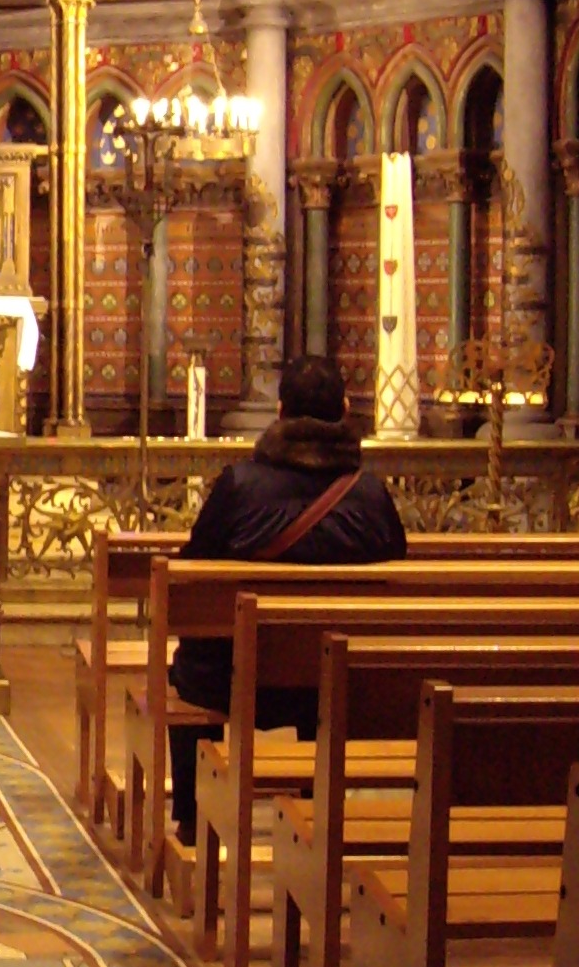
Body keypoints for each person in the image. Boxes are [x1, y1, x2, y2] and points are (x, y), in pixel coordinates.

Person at [167, 355, 406, 842]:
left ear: (278, 412)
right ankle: (319, 807)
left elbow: (192, 572)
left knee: (191, 665)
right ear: (344, 410)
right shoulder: (372, 496)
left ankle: (194, 818)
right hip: (337, 678)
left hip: (236, 677)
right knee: (325, 663)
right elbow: (398, 571)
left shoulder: (240, 486)